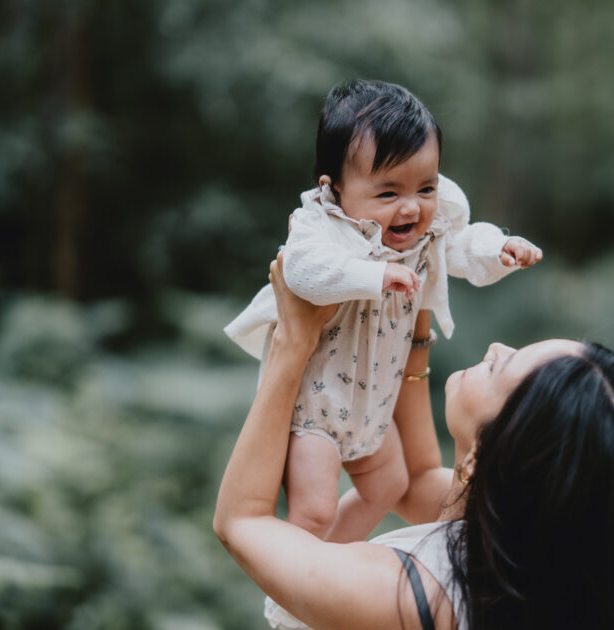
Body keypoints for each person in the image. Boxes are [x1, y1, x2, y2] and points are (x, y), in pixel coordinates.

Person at [213, 253, 614, 630]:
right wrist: (414, 307)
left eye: (502, 369)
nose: (495, 349)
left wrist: (293, 342)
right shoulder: (557, 565)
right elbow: (418, 478)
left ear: (482, 456)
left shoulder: (406, 602)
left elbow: (242, 522)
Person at [224, 80, 542, 543]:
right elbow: (303, 271)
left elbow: (462, 242)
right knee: (314, 510)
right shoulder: (323, 226)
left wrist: (501, 249)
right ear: (333, 188)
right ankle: (293, 593)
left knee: (390, 485)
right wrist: (372, 277)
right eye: (388, 193)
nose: (412, 207)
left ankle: (330, 565)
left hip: (373, 401)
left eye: (426, 187)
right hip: (316, 403)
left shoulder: (424, 231)